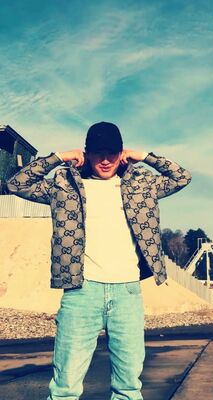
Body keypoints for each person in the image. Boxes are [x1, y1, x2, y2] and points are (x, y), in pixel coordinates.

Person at [6, 121, 192, 400]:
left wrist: (144, 156)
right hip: (81, 292)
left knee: (128, 388)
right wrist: (59, 157)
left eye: (111, 152)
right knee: (65, 388)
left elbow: (182, 177)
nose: (105, 160)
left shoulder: (142, 184)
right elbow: (16, 183)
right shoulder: (65, 185)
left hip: (127, 293)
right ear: (87, 153)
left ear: (121, 152)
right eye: (97, 152)